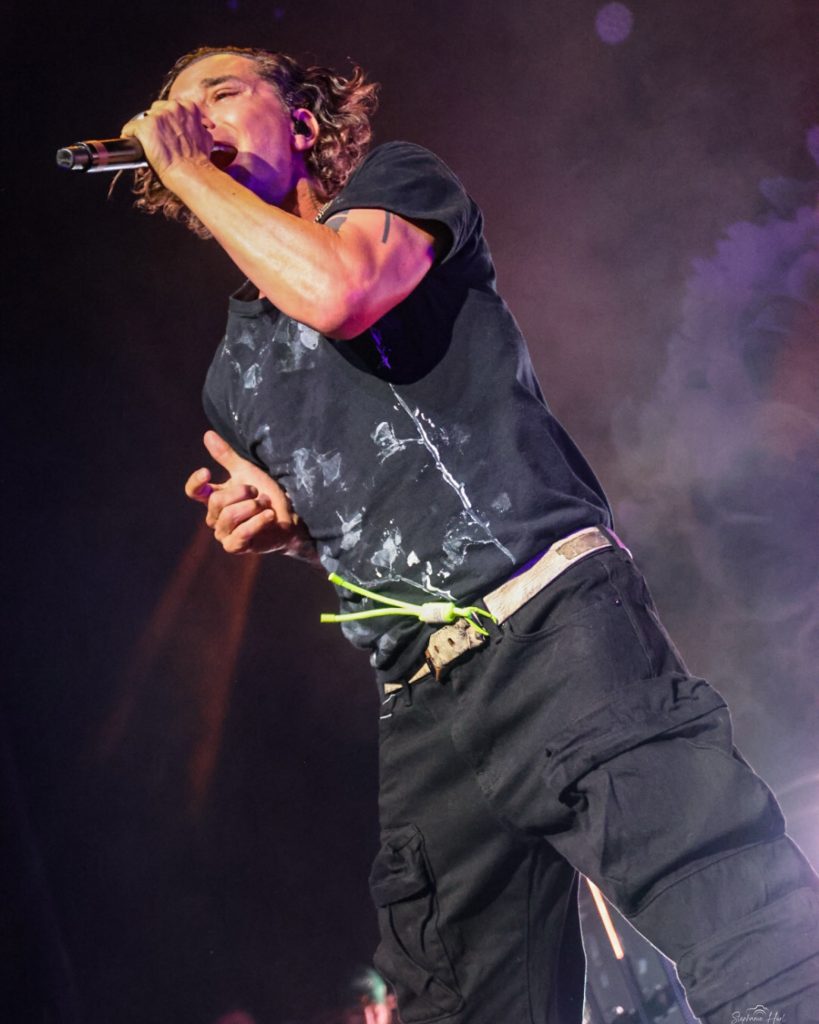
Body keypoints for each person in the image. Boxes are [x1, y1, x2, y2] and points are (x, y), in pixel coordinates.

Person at [121, 45, 819, 1024]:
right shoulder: (231, 375)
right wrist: (289, 532)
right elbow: (375, 508)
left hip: (547, 624)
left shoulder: (396, 186)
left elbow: (344, 292)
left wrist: (190, 168)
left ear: (304, 122)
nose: (192, 118)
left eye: (222, 94)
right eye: (176, 108)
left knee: (742, 935)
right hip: (424, 700)